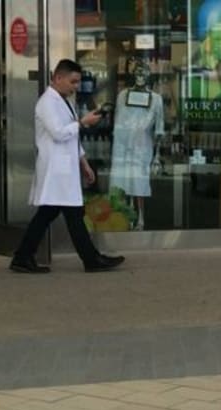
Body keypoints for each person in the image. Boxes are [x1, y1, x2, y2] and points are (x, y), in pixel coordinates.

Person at [9, 59, 125, 274]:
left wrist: (84, 162)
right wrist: (82, 123)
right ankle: (90, 259)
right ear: (58, 78)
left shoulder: (64, 101)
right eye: (73, 82)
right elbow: (59, 133)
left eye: (78, 82)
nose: (76, 87)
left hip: (64, 167)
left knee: (54, 214)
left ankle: (24, 256)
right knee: (68, 214)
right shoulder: (47, 103)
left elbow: (72, 138)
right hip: (55, 168)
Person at [110, 61, 165, 231]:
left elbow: (159, 128)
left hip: (142, 147)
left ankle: (140, 218)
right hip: (122, 147)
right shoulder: (122, 95)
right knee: (123, 181)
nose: (140, 76)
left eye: (144, 73)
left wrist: (157, 155)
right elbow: (117, 123)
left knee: (139, 183)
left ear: (149, 76)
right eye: (138, 73)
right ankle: (125, 216)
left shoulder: (156, 99)